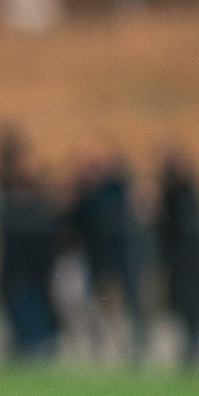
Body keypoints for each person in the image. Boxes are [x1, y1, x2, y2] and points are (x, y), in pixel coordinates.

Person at [66, 137, 146, 363]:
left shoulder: (117, 186)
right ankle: (98, 347)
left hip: (118, 256)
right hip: (93, 257)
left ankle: (128, 347)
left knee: (119, 303)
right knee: (94, 304)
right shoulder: (83, 189)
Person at [0, 127, 60, 361]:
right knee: (19, 311)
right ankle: (23, 349)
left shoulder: (37, 188)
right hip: (16, 264)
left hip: (38, 264)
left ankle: (37, 348)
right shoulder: (2, 188)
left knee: (36, 311)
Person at [155, 146, 199, 371]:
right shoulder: (181, 192)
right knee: (186, 306)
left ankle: (194, 346)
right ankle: (191, 346)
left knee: (192, 306)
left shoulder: (182, 193)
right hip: (183, 259)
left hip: (187, 259)